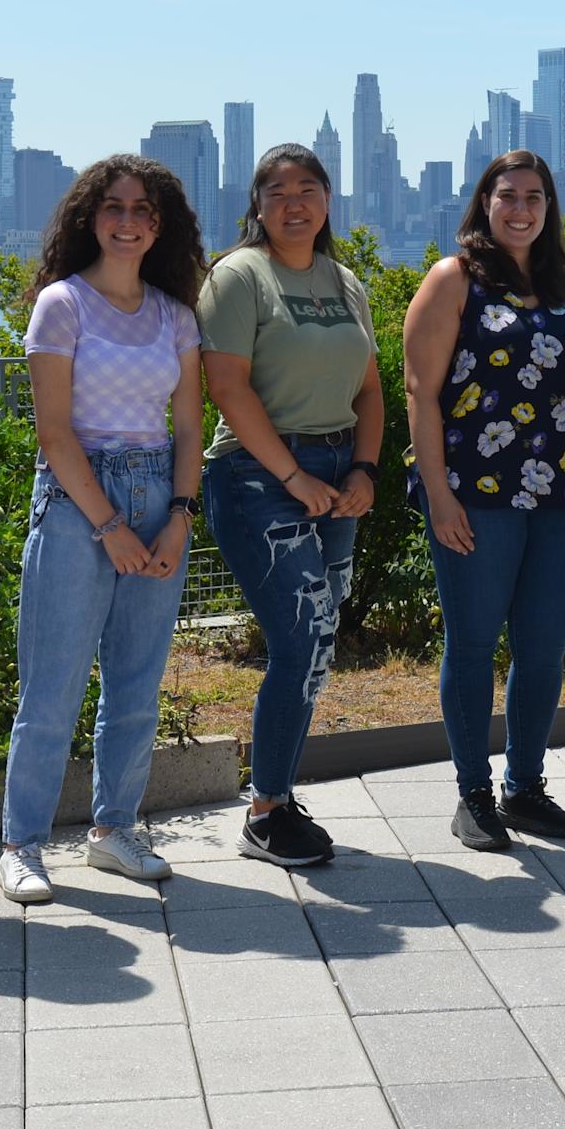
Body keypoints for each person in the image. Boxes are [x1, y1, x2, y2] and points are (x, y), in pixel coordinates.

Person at [0, 156, 207, 904]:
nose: (127, 221)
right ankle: (22, 843)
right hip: (77, 498)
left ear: (161, 224)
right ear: (91, 217)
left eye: (143, 209)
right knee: (50, 688)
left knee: (136, 685)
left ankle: (113, 830)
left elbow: (188, 426)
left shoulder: (176, 315)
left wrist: (180, 516)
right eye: (114, 207)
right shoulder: (62, 304)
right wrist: (110, 525)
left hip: (159, 495)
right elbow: (54, 434)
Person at [403, 151, 565, 850]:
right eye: (507, 195)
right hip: (475, 496)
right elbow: (421, 394)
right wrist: (438, 496)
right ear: (484, 202)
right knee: (476, 644)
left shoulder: (563, 282)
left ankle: (525, 788)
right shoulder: (455, 279)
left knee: (543, 650)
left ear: (549, 208)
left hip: (558, 498)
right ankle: (473, 794)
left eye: (535, 197)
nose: (521, 209)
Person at [200, 145, 385, 867]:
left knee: (318, 643)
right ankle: (265, 809)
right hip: (257, 474)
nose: (294, 201)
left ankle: (279, 792)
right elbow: (228, 387)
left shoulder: (345, 282)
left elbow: (369, 390)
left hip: (339, 469)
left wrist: (364, 468)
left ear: (328, 201)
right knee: (302, 636)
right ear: (257, 207)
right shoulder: (238, 276)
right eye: (277, 191)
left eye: (309, 188)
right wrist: (292, 475)